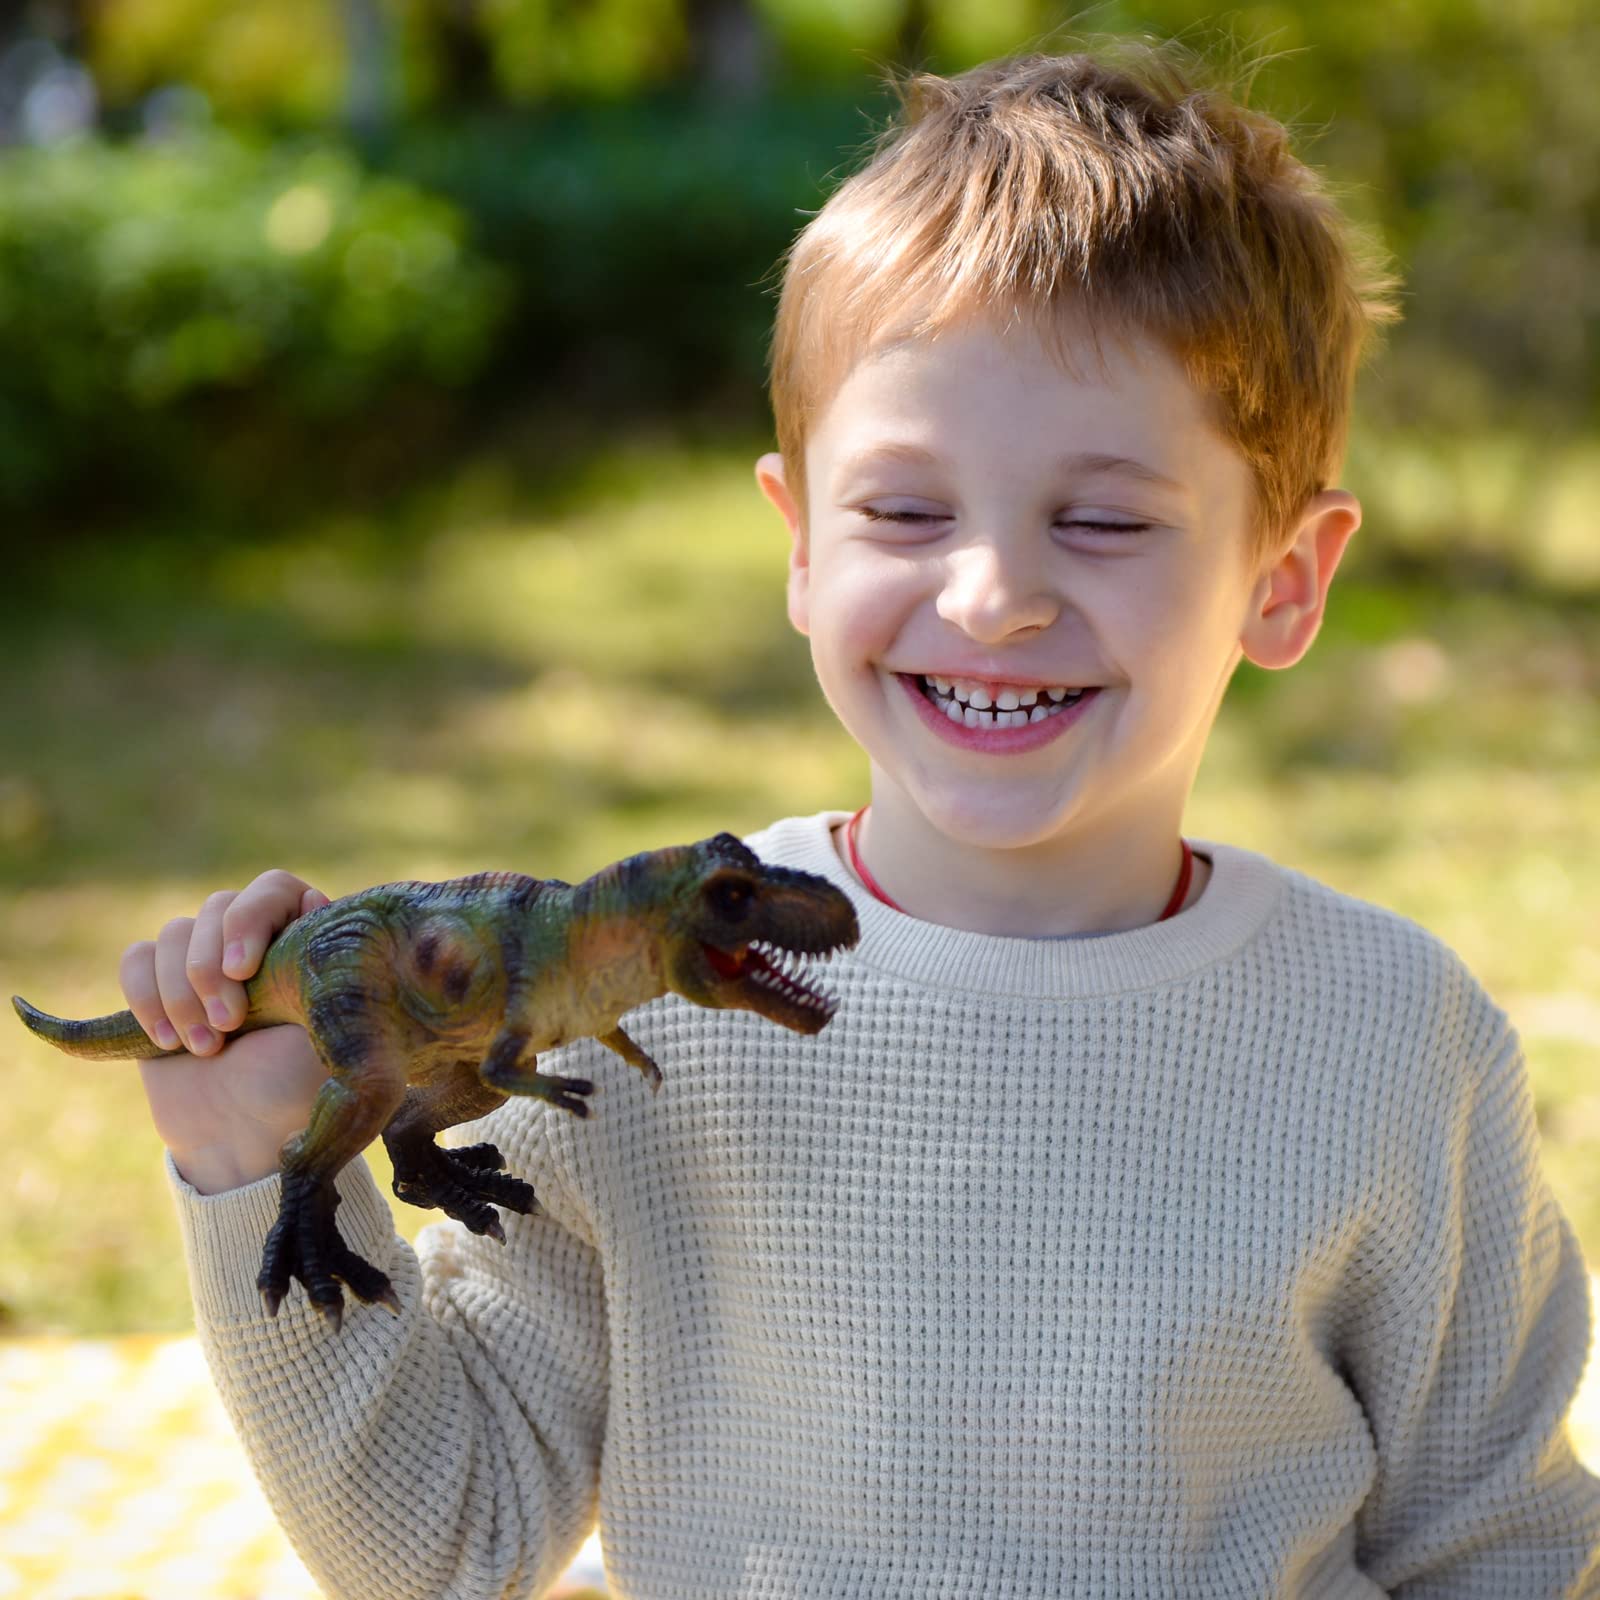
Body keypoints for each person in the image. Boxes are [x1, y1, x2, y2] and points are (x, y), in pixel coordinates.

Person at [120, 39, 1600, 1599]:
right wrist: (248, 1141)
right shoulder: (628, 1011)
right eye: (905, 510)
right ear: (802, 545)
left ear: (1283, 577)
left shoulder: (1388, 1034)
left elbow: (1496, 1549)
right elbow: (443, 1537)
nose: (995, 596)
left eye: (1101, 520)